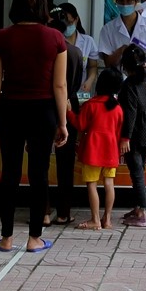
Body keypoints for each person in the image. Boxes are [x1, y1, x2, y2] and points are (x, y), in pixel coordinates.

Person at [0, 0, 68, 254]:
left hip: (10, 109)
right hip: (44, 111)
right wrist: (63, 122)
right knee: (39, 173)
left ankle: (7, 237)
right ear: (43, 7)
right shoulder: (56, 38)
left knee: (9, 174)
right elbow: (60, 87)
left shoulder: (1, 38)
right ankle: (35, 238)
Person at [46, 14, 84, 228]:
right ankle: (64, 212)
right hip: (69, 104)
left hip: (45, 105)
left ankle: (42, 211)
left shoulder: (44, 51)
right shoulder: (76, 52)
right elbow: (76, 83)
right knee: (66, 162)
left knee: (40, 160)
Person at [118, 44, 146, 228]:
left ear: (126, 66)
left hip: (135, 135)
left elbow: (130, 113)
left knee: (136, 173)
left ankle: (142, 212)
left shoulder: (129, 86)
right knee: (140, 171)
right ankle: (137, 207)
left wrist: (125, 137)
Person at [77, 68, 125, 230]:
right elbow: (119, 133)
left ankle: (95, 220)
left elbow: (80, 125)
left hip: (92, 150)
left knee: (92, 184)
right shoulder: (117, 108)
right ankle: (108, 219)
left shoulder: (90, 105)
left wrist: (69, 111)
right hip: (111, 151)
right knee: (109, 183)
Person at [55, 1, 102, 92]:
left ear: (76, 19)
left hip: (80, 90)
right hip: (60, 89)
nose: (67, 26)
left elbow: (93, 66)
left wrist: (89, 81)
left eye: (69, 23)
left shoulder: (88, 41)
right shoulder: (55, 40)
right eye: (64, 23)